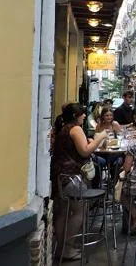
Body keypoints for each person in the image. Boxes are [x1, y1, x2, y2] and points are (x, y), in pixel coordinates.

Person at [51, 103, 108, 260]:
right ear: (76, 116)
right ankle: (68, 249)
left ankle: (61, 249)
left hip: (60, 176)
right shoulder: (75, 129)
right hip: (72, 177)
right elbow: (85, 151)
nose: (84, 116)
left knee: (62, 212)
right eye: (82, 114)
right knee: (78, 211)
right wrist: (100, 138)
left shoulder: (63, 128)